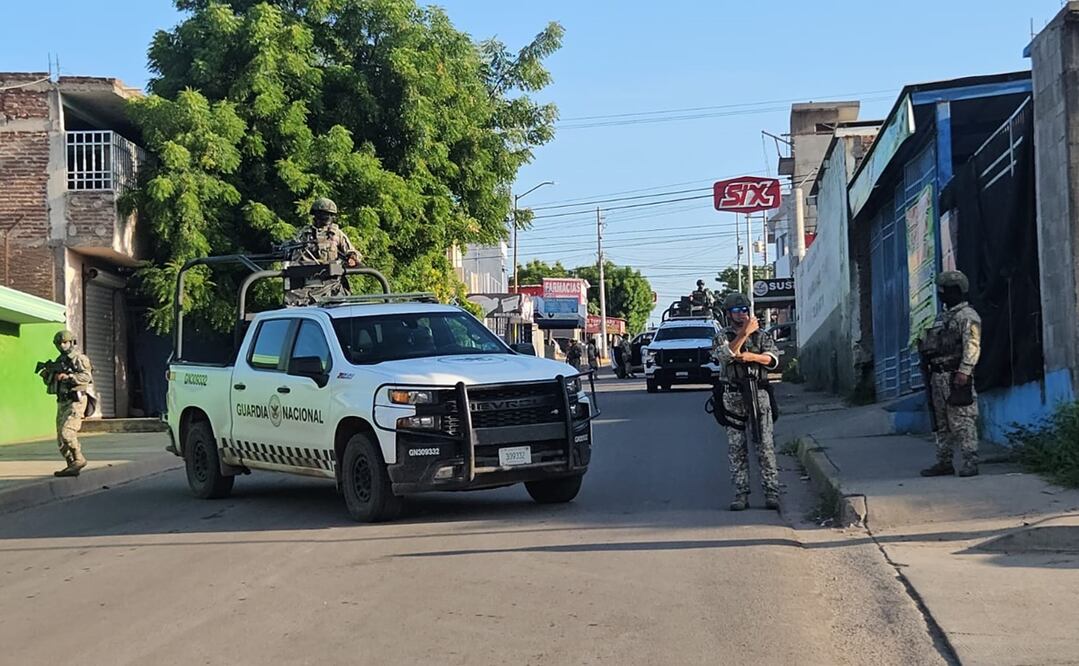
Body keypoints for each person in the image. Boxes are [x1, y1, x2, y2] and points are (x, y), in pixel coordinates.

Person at [711, 293, 781, 511]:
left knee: (765, 445)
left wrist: (753, 357)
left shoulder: (761, 335)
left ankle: (772, 492)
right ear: (728, 314)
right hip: (732, 396)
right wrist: (743, 334)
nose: (741, 315)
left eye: (744, 310)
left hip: (758, 393)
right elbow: (723, 355)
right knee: (736, 448)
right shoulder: (722, 335)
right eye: (736, 311)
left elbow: (773, 359)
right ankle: (741, 494)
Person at [919, 270, 982, 478]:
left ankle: (970, 461)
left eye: (944, 290)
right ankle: (944, 461)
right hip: (937, 376)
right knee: (941, 422)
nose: (941, 294)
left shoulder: (967, 317)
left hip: (956, 375)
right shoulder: (943, 317)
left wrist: (964, 371)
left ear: (956, 291)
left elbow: (972, 345)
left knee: (962, 419)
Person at [39, 330, 96, 477]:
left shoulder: (79, 359)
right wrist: (48, 375)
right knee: (60, 438)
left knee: (67, 433)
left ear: (72, 342)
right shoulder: (59, 361)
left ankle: (79, 459)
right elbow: (52, 381)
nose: (62, 346)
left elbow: (86, 377)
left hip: (76, 400)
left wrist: (69, 377)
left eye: (65, 342)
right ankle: (71, 464)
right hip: (62, 401)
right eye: (59, 343)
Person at [286, 197, 362, 305]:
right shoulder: (304, 234)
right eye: (324, 214)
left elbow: (352, 252)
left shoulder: (336, 234)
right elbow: (294, 256)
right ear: (316, 215)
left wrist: (352, 257)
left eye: (330, 214)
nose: (327, 217)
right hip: (306, 285)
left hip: (331, 283)